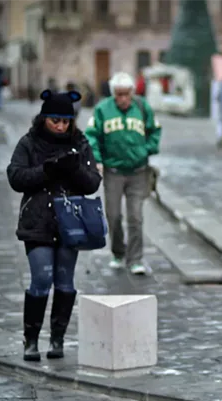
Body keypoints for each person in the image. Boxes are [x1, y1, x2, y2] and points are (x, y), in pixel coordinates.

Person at [6, 89, 102, 362]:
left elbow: (93, 181)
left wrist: (74, 169)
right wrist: (46, 170)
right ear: (44, 118)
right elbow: (15, 176)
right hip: (38, 221)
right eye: (55, 120)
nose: (61, 126)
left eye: (65, 121)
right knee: (41, 278)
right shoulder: (29, 142)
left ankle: (57, 338)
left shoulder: (80, 142)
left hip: (70, 223)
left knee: (65, 281)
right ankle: (31, 340)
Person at [85, 71, 162, 275]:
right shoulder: (102, 109)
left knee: (135, 217)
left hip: (138, 171)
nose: (123, 99)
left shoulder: (142, 107)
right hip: (113, 172)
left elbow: (155, 131)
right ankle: (118, 252)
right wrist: (97, 159)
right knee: (114, 215)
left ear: (132, 92)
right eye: (119, 94)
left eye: (126, 94)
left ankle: (135, 258)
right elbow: (91, 136)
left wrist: (146, 150)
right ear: (113, 94)